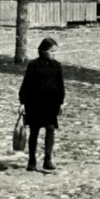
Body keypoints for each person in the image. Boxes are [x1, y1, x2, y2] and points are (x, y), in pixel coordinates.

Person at [19, 37, 65, 172]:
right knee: (34, 131)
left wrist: (61, 103)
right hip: (34, 104)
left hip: (51, 104)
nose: (54, 54)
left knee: (50, 129)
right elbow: (26, 84)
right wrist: (22, 102)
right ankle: (32, 160)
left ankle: (48, 159)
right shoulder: (33, 65)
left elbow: (60, 86)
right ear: (43, 51)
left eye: (55, 51)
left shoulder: (57, 66)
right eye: (51, 51)